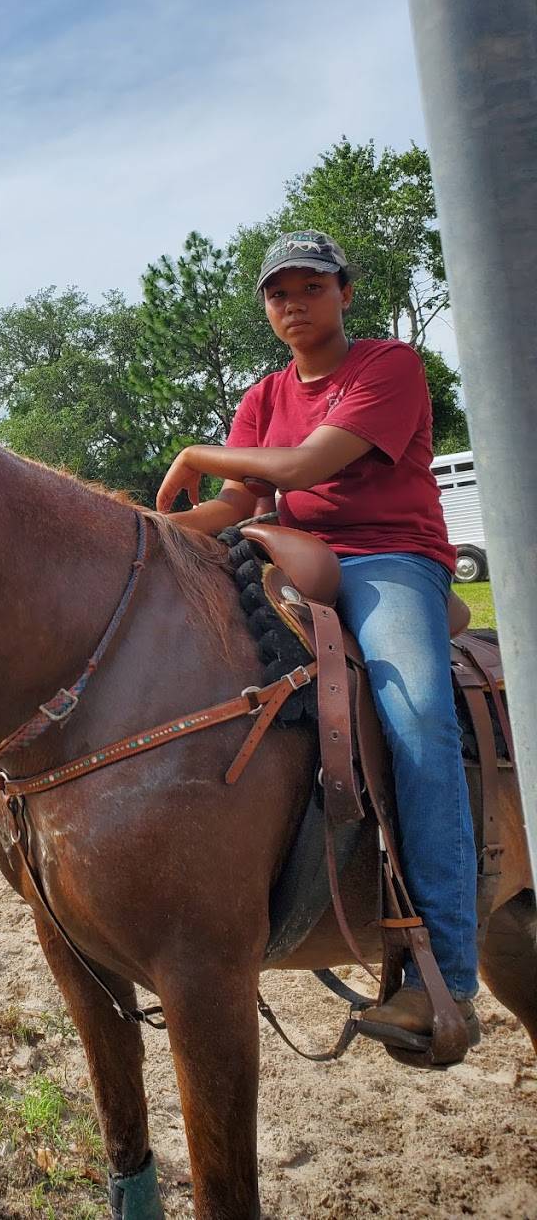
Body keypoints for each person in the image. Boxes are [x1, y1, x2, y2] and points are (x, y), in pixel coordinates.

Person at [156, 229, 478, 1051]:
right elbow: (234, 505)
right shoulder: (263, 394)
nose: (292, 303)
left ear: (344, 292)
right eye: (277, 293)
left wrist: (196, 450)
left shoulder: (388, 367)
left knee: (415, 718)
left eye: (310, 287)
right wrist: (142, 534)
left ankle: (447, 973)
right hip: (286, 558)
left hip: (386, 560)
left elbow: (301, 468)